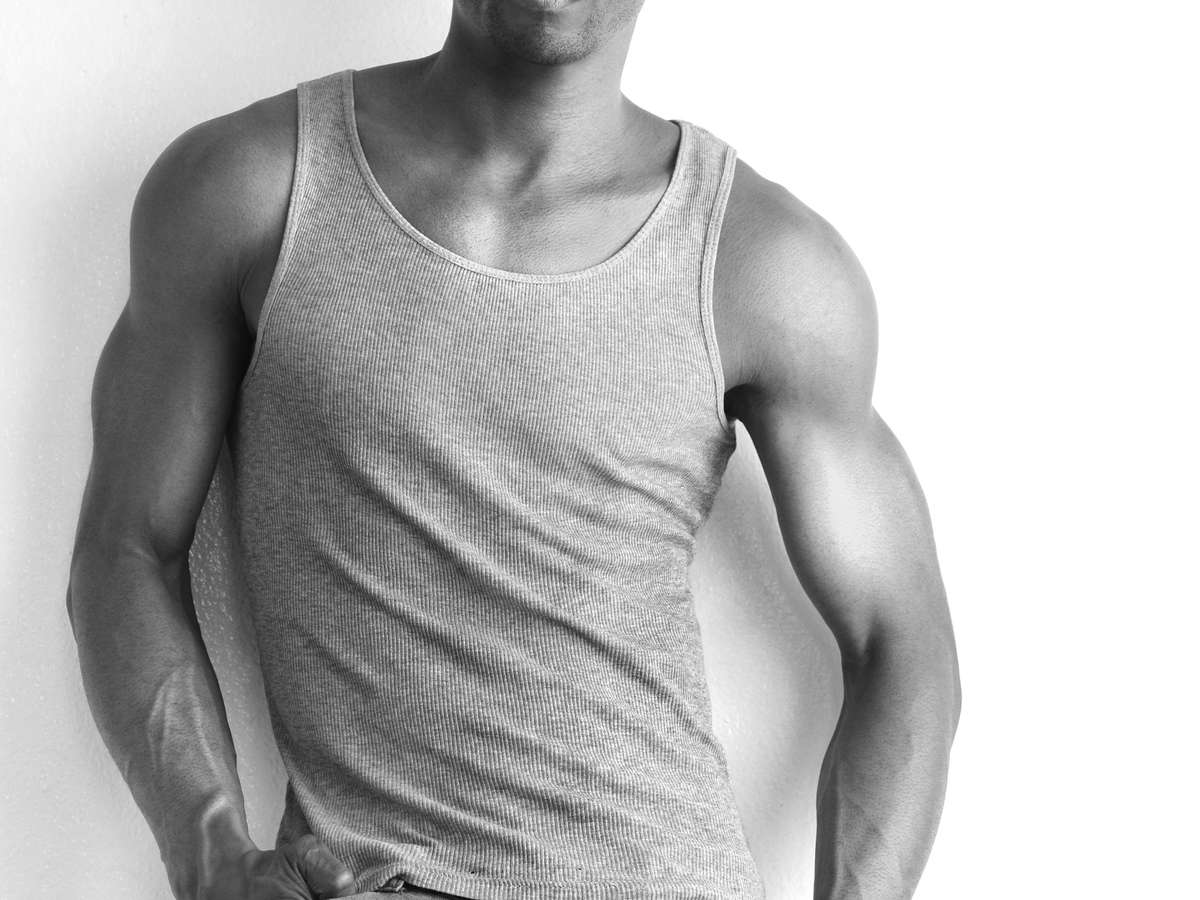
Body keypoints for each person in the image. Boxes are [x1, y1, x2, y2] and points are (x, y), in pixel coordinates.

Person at [66, 1, 961, 898]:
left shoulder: (764, 262)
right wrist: (210, 853)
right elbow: (126, 548)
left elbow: (901, 639)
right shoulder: (249, 186)